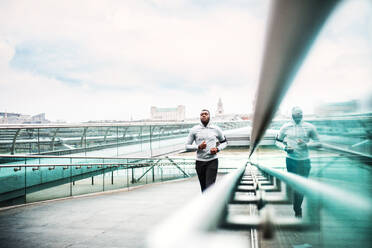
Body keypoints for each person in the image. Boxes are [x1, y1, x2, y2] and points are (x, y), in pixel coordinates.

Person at [275, 106, 321, 217]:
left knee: (301, 186)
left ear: (302, 115)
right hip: (291, 160)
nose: (297, 118)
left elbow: (318, 143)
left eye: (299, 115)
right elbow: (277, 142)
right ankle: (297, 207)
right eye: (295, 116)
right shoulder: (285, 127)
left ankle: (297, 208)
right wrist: (285, 148)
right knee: (295, 185)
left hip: (305, 161)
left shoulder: (310, 127)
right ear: (291, 115)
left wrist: (307, 144)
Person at [185, 109, 227, 192]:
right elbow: (187, 146)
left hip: (212, 161)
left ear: (209, 116)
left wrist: (217, 149)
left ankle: (212, 204)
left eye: (206, 114)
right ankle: (206, 203)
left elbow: (225, 142)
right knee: (204, 188)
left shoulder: (216, 129)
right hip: (199, 162)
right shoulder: (194, 129)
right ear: (200, 117)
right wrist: (198, 147)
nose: (204, 115)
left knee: (210, 187)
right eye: (202, 114)